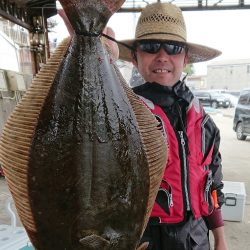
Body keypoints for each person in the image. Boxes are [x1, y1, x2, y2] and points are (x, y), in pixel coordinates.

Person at [117, 2, 228, 250]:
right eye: (150, 46)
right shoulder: (118, 115)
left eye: (174, 48)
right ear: (135, 57)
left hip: (197, 240)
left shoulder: (204, 122)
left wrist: (220, 238)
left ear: (185, 57)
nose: (163, 56)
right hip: (140, 240)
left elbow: (213, 184)